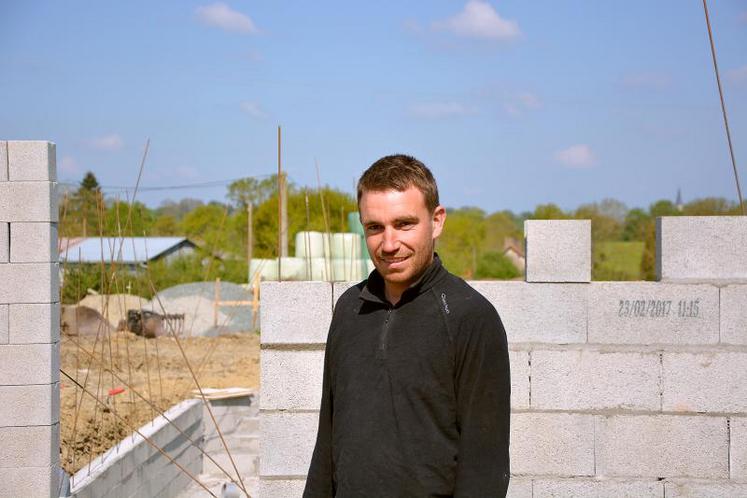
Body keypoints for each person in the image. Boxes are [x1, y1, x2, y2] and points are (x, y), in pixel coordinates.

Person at [304, 154, 511, 497]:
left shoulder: (471, 317)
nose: (389, 244)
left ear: (437, 221)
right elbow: (327, 442)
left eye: (404, 224)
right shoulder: (348, 310)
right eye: (374, 227)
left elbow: (485, 469)